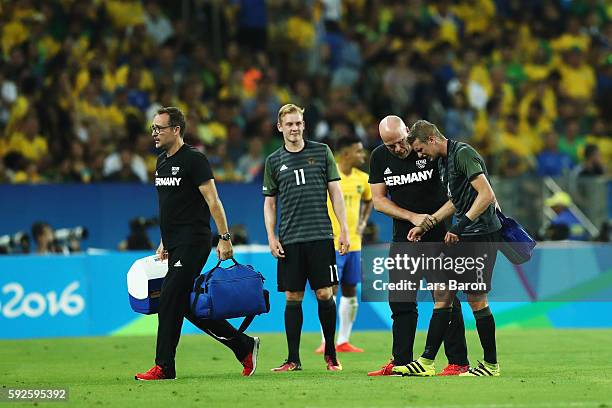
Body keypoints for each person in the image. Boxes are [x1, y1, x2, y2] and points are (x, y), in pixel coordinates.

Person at [135, 107, 259, 381]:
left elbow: (213, 201)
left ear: (176, 129)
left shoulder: (194, 159)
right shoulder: (161, 162)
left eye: (160, 128)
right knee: (185, 304)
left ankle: (164, 367)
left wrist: (225, 238)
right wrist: (163, 240)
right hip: (175, 243)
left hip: (194, 241)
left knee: (169, 298)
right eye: (153, 128)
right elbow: (169, 206)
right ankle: (243, 345)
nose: (154, 133)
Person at [395, 119, 502, 377]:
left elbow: (485, 194)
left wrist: (459, 227)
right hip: (466, 235)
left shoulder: (463, 153)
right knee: (443, 292)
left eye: (420, 149)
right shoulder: (444, 161)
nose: (420, 155)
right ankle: (427, 361)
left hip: (481, 234)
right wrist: (427, 223)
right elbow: (457, 200)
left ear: (431, 139)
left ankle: (490, 365)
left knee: (477, 300)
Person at [367, 116, 469, 377]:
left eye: (401, 142)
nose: (398, 149)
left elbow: (455, 196)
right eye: (391, 146)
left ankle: (458, 362)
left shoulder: (430, 152)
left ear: (408, 134)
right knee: (400, 300)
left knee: (444, 298)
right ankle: (401, 361)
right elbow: (378, 201)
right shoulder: (379, 157)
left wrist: (430, 221)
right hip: (403, 237)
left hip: (437, 236)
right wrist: (412, 217)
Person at [263, 103, 349, 372]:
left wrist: (343, 228)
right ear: (280, 127)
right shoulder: (273, 161)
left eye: (298, 123)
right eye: (289, 124)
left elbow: (335, 192)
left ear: (304, 124)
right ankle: (293, 359)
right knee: (293, 295)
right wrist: (271, 236)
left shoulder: (322, 152)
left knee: (325, 293)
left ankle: (331, 355)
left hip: (321, 235)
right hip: (290, 238)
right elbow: (269, 203)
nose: (294, 128)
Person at [314, 136, 373, 354]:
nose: (362, 155)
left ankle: (343, 340)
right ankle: (325, 341)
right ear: (346, 153)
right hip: (331, 242)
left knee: (350, 289)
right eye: (359, 151)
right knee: (330, 290)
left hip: (354, 243)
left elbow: (370, 199)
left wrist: (363, 221)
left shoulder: (363, 179)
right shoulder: (329, 175)